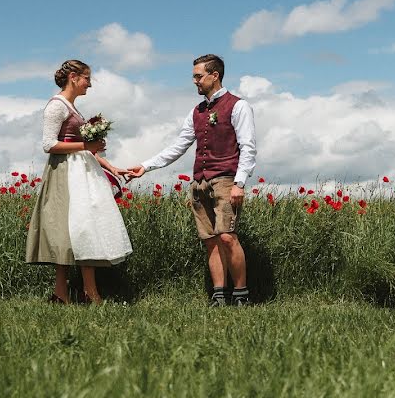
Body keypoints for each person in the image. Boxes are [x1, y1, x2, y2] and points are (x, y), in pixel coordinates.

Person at [127, 54, 256, 306]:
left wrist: (240, 183)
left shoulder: (238, 106)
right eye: (194, 77)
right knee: (210, 241)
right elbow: (179, 146)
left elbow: (248, 147)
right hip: (200, 183)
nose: (195, 81)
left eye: (199, 76)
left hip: (226, 180)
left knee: (228, 236)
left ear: (214, 75)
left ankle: (242, 296)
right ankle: (219, 295)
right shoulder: (196, 112)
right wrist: (146, 166)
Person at [25, 60, 132, 303]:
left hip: (82, 172)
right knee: (73, 231)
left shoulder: (73, 108)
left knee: (85, 230)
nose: (90, 84)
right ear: (73, 77)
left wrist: (112, 168)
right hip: (65, 174)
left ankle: (65, 293)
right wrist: (87, 145)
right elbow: (49, 144)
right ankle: (84, 292)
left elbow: (88, 150)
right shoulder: (56, 106)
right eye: (87, 78)